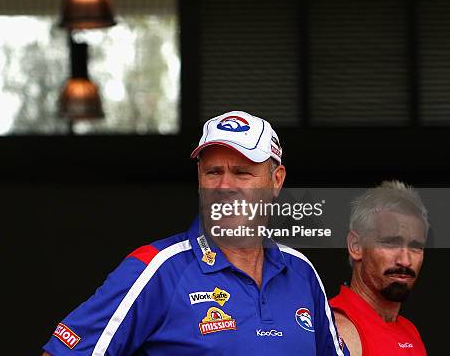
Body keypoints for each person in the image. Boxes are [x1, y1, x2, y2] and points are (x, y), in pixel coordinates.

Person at [42, 110, 347, 355]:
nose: (225, 187)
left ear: (276, 181)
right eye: (213, 172)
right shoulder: (156, 270)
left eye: (242, 173)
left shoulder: (301, 272)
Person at [329, 181, 428, 355]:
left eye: (415, 246)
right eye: (390, 243)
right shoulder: (336, 328)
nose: (405, 261)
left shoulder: (410, 331)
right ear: (356, 246)